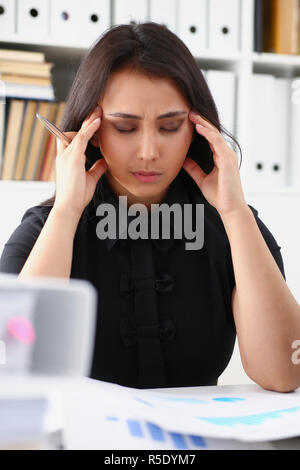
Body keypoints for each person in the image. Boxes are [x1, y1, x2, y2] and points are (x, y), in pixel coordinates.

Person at [1, 23, 299, 392]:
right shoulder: (43, 230)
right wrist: (66, 213)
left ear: (197, 128)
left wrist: (236, 214)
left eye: (170, 126)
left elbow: (284, 372)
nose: (148, 153)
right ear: (91, 131)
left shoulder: (232, 228)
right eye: (125, 128)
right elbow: (17, 365)